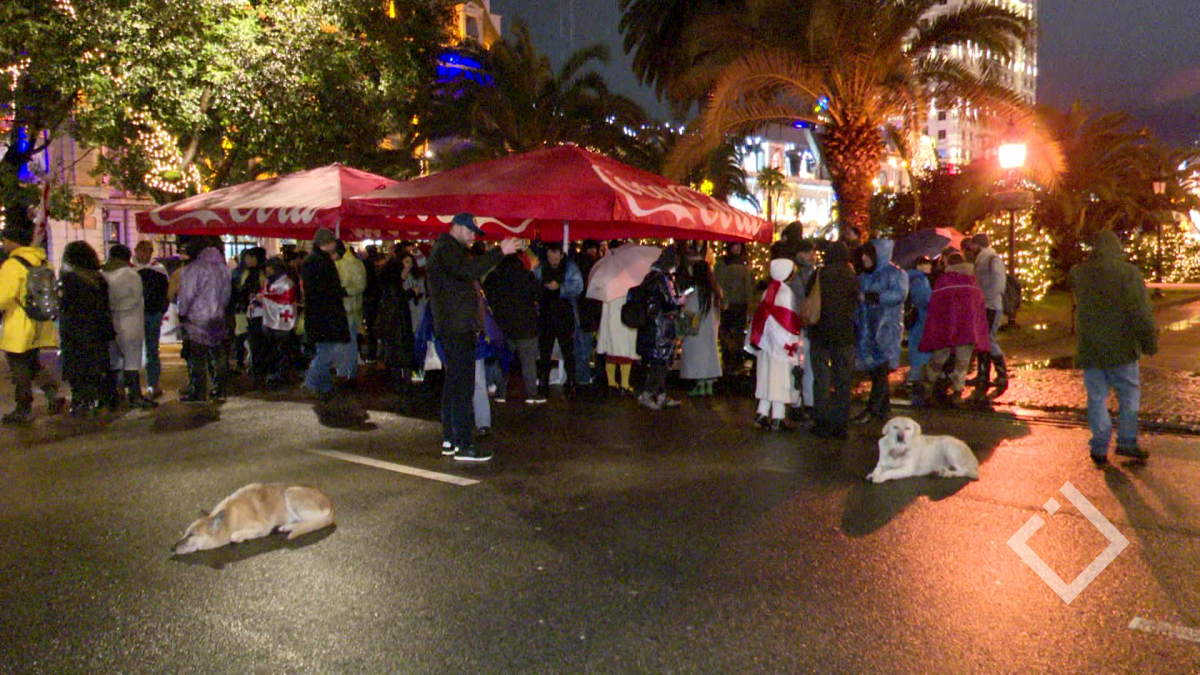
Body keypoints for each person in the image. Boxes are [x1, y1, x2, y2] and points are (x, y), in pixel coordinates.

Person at [426, 213, 522, 462]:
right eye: (469, 231)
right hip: (457, 328)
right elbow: (468, 271)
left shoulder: (446, 250)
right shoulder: (447, 250)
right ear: (456, 227)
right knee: (462, 387)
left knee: (454, 384)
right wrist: (500, 251)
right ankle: (464, 444)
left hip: (454, 326)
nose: (472, 237)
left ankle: (451, 440)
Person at [1069, 230, 1156, 466]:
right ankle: (1126, 441)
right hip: (1122, 348)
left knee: (1097, 398)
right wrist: (1148, 340)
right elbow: (1139, 310)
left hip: (1090, 348)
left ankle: (1099, 446)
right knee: (1128, 395)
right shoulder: (1127, 273)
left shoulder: (1079, 273)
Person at [0, 224, 63, 423]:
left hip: (19, 325)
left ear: (13, 242)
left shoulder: (12, 265)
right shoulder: (43, 261)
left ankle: (23, 408)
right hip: (40, 322)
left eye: (5, 241)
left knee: (19, 369)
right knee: (33, 364)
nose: (3, 245)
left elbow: (3, 296)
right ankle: (53, 395)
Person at [912, 253, 989, 407]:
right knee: (962, 362)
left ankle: (927, 387)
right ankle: (957, 392)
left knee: (938, 359)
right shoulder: (972, 281)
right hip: (967, 329)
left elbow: (935, 305)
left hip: (945, 328)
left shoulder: (944, 281)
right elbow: (979, 306)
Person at [806, 242, 858, 439]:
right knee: (843, 380)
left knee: (821, 378)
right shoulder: (851, 276)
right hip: (844, 334)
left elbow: (808, 296)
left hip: (820, 333)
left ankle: (821, 421)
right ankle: (840, 423)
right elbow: (855, 303)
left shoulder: (820, 274)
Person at [852, 239, 908, 423]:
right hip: (868, 329)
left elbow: (900, 295)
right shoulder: (865, 276)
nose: (863, 258)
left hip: (886, 329)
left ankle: (873, 409)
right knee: (877, 371)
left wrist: (872, 297)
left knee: (879, 371)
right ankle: (883, 409)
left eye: (868, 255)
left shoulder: (896, 274)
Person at [59, 242, 115, 417]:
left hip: (75, 330)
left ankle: (81, 401)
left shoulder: (70, 281)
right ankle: (99, 400)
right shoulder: (99, 280)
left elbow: (65, 307)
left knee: (77, 367)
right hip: (98, 329)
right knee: (97, 365)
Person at [747, 259, 803, 431]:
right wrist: (792, 344)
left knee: (766, 378)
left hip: (766, 344)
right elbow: (788, 322)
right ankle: (778, 417)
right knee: (780, 380)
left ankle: (762, 413)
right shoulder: (786, 293)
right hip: (781, 346)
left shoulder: (768, 291)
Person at [176, 238, 233, 402]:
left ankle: (198, 391)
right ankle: (220, 388)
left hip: (197, 317)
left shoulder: (193, 269)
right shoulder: (222, 268)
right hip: (217, 315)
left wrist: (182, 312)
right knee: (218, 352)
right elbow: (226, 294)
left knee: (197, 355)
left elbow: (186, 295)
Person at [483, 251, 543, 404]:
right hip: (526, 326)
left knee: (503, 362)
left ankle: (500, 393)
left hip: (502, 327)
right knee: (528, 363)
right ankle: (532, 394)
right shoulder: (527, 276)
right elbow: (538, 293)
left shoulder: (494, 277)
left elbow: (487, 296)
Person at [102, 244, 156, 409]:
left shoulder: (104, 275)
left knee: (115, 361)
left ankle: (115, 395)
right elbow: (135, 299)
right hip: (131, 323)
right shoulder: (131, 275)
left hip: (111, 324)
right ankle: (134, 394)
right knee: (132, 361)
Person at [300, 228, 351, 401]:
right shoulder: (321, 263)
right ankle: (311, 382)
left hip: (320, 314)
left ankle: (325, 386)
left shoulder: (314, 261)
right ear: (327, 243)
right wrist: (340, 292)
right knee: (327, 352)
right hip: (326, 315)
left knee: (325, 349)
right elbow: (326, 290)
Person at [636, 245, 682, 411]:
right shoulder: (662, 279)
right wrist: (680, 300)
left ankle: (660, 394)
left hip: (653, 325)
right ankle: (648, 394)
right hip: (661, 327)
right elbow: (670, 302)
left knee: (659, 362)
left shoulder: (651, 277)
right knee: (660, 363)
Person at [535, 242, 583, 399]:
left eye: (555, 259)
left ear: (561, 255)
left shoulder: (570, 267)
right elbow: (534, 285)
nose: (553, 262)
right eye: (550, 258)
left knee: (567, 350)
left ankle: (572, 382)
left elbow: (579, 286)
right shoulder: (541, 267)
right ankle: (543, 382)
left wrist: (560, 287)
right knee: (545, 351)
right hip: (546, 314)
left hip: (564, 314)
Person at [963, 233, 1008, 401]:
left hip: (991, 305)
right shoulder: (982, 259)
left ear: (979, 244)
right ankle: (983, 373)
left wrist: (985, 297)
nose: (971, 248)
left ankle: (1000, 374)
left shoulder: (992, 259)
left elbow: (998, 284)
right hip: (984, 305)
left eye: (973, 245)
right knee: (982, 340)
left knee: (988, 339)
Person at [376, 250, 418, 393]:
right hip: (397, 327)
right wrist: (411, 293)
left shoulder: (391, 284)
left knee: (395, 355)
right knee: (400, 354)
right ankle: (402, 383)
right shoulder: (394, 286)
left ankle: (399, 382)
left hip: (394, 326)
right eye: (405, 264)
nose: (408, 267)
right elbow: (398, 302)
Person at [680, 260, 723, 396]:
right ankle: (708, 385)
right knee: (710, 355)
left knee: (697, 356)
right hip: (711, 328)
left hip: (697, 328)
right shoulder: (715, 290)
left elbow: (690, 310)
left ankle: (700, 385)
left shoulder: (695, 292)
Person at [133, 240, 169, 399]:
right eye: (143, 251)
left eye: (148, 251)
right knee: (133, 351)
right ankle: (134, 386)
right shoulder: (130, 269)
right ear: (136, 251)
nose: (145, 255)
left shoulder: (158, 269)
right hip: (134, 315)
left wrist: (161, 310)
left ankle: (153, 384)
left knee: (152, 350)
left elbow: (165, 291)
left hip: (152, 313)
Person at [256, 257, 299, 387]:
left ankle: (282, 374)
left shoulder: (286, 283)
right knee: (272, 348)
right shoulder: (268, 282)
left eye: (270, 267)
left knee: (283, 349)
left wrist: (266, 298)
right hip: (269, 320)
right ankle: (274, 373)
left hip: (282, 322)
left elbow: (287, 300)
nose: (267, 270)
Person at [713, 241, 756, 373]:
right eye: (735, 245)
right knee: (726, 334)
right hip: (728, 304)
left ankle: (736, 361)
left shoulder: (745, 263)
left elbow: (749, 285)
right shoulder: (723, 263)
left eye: (739, 245)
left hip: (741, 304)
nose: (737, 248)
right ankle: (728, 361)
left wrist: (749, 301)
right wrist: (723, 300)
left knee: (738, 334)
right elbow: (719, 282)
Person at [790, 239, 818, 414]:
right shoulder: (798, 275)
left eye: (812, 252)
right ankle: (803, 401)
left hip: (805, 325)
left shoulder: (811, 273)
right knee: (803, 366)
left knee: (804, 365)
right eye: (807, 252)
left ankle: (803, 401)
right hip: (801, 325)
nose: (811, 255)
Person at [334, 240, 367, 385]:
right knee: (346, 341)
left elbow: (360, 285)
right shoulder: (348, 263)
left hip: (348, 309)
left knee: (346, 342)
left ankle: (345, 372)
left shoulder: (351, 263)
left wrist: (344, 291)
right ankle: (345, 371)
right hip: (345, 309)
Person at [573, 239, 604, 387]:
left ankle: (579, 375)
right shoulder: (594, 266)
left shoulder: (576, 264)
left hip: (579, 310)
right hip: (588, 311)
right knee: (585, 345)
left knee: (579, 345)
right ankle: (583, 377)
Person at [905, 256, 934, 390]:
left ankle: (915, 377)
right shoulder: (919, 280)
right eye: (926, 264)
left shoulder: (912, 278)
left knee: (916, 346)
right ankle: (914, 378)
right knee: (920, 347)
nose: (930, 266)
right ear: (919, 266)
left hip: (917, 317)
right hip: (921, 317)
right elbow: (924, 299)